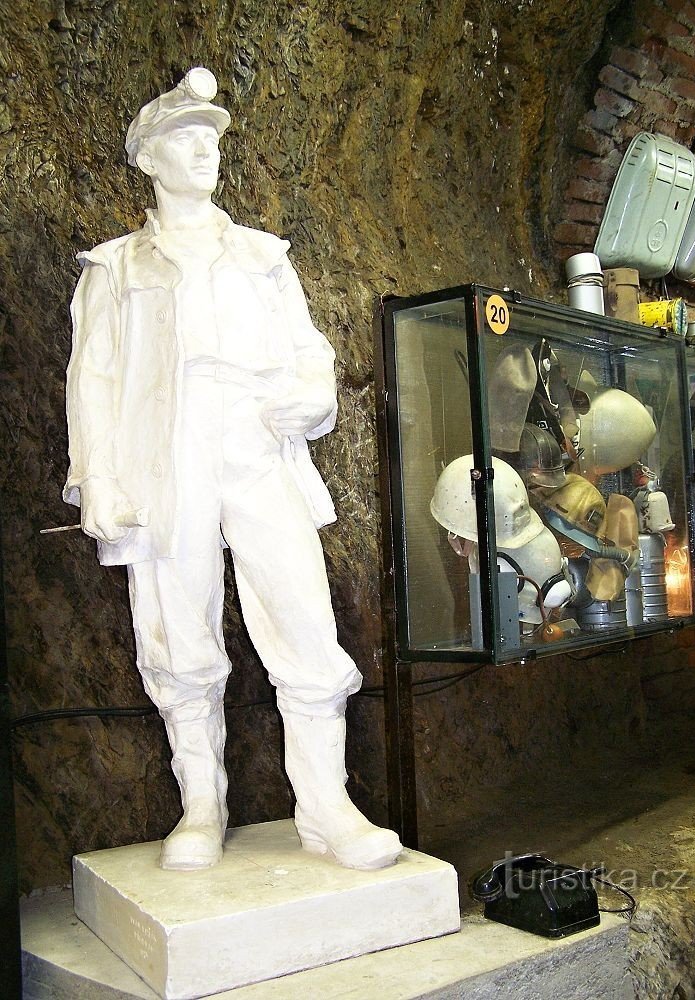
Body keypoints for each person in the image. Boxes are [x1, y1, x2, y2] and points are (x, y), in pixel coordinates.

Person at [64, 67, 402, 872]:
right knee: (176, 625)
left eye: (211, 140)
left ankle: (325, 806)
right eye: (185, 139)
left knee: (302, 613)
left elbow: (308, 350)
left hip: (255, 443)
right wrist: (99, 479)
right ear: (148, 157)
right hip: (165, 453)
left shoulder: (262, 256)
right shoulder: (116, 267)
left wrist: (313, 392)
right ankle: (201, 807)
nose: (204, 152)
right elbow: (93, 379)